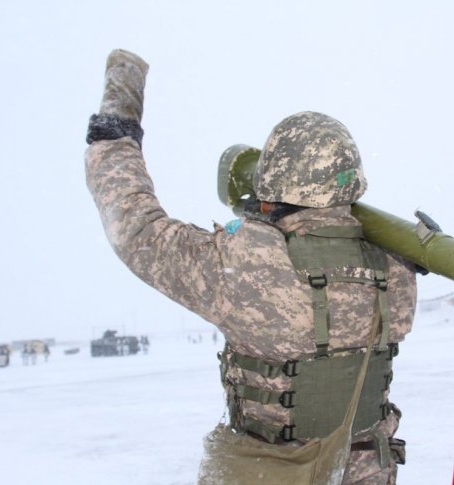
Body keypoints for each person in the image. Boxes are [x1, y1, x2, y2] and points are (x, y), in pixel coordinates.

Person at [85, 49, 417, 484]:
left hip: (271, 473)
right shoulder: (397, 271)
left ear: (274, 178)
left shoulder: (248, 266)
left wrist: (116, 129)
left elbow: (137, 229)